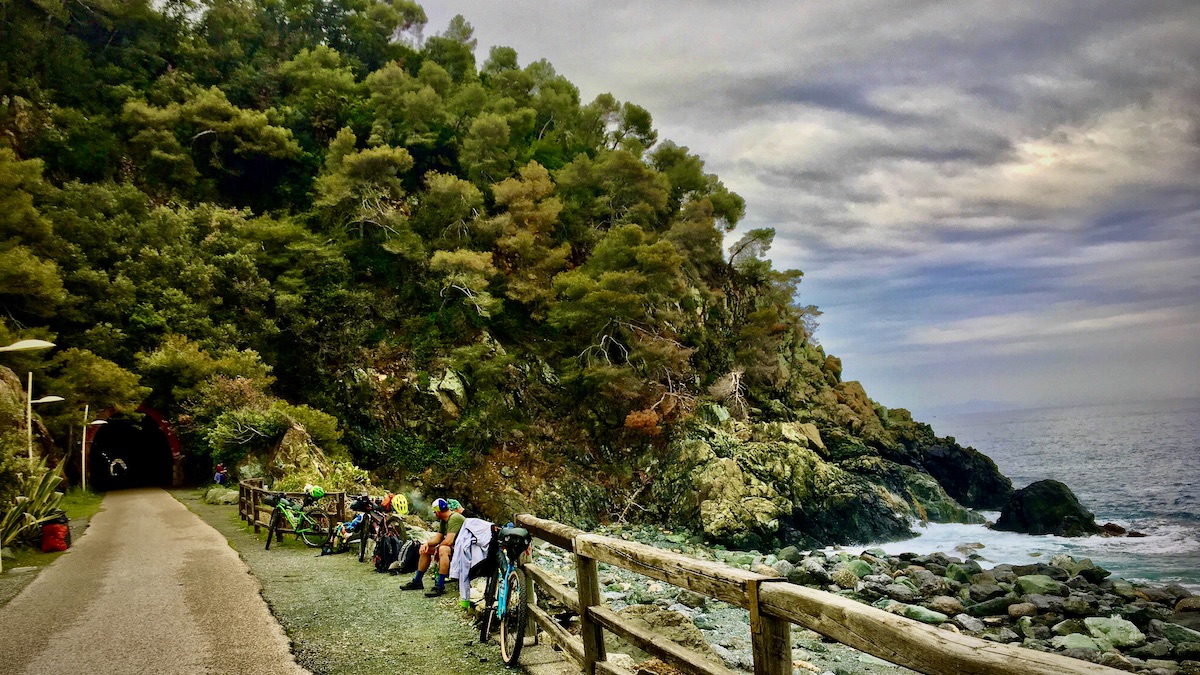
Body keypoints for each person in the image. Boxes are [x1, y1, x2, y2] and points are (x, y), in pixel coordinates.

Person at [400, 497, 465, 597]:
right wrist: (426, 544)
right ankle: (417, 581)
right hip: (454, 548)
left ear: (438, 512)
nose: (435, 514)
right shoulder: (444, 520)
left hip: (463, 549)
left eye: (435, 512)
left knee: (443, 549)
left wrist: (438, 549)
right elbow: (438, 538)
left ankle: (440, 585)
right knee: (426, 550)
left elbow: (449, 541)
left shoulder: (454, 518)